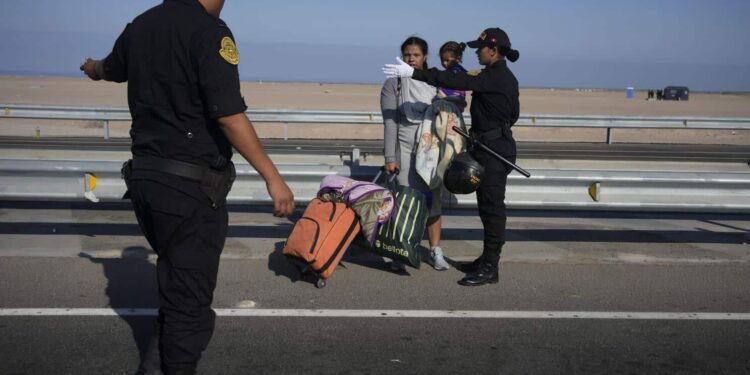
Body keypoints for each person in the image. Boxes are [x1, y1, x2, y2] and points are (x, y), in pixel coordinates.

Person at [80, 0, 295, 373]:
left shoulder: (141, 25)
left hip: (146, 182)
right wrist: (273, 177)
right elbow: (228, 114)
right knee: (190, 309)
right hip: (188, 189)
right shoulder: (209, 32)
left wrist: (91, 68)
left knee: (177, 292)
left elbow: (110, 68)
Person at [383, 27, 520, 286]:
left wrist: (414, 73)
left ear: (493, 50)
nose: (477, 53)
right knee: (486, 208)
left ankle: (491, 268)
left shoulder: (495, 76)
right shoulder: (494, 75)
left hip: (494, 150)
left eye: (480, 48)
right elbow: (513, 113)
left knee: (492, 210)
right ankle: (486, 259)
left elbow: (456, 81)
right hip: (488, 146)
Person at [380, 36, 450, 272]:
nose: (411, 59)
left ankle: (435, 250)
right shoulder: (394, 84)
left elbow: (453, 110)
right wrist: (391, 157)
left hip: (432, 146)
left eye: (416, 55)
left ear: (425, 56)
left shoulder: (436, 81)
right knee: (402, 201)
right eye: (407, 54)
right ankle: (399, 252)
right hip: (405, 145)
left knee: (433, 200)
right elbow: (390, 123)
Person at [433, 41, 468, 112]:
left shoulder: (453, 73)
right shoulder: (462, 71)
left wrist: (436, 99)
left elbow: (446, 90)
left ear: (458, 58)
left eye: (447, 60)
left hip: (451, 102)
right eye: (442, 60)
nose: (444, 63)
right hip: (459, 104)